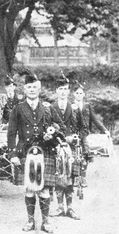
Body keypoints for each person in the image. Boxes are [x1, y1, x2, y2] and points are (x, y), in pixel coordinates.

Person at [7, 74, 64, 234]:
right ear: (24, 90)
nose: (32, 90)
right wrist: (13, 155)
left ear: (39, 89)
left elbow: (60, 127)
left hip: (45, 151)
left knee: (45, 190)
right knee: (30, 190)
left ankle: (46, 222)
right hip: (25, 152)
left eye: (34, 87)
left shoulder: (48, 108)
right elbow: (11, 133)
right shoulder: (17, 108)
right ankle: (31, 221)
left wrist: (52, 134)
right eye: (29, 87)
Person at [51, 76, 86, 220]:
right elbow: (46, 127)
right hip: (55, 147)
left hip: (71, 147)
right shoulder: (50, 108)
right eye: (60, 89)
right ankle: (60, 207)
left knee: (70, 176)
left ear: (69, 91)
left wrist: (75, 137)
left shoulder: (75, 108)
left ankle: (70, 207)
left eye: (65, 89)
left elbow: (84, 129)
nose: (63, 92)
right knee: (58, 175)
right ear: (56, 91)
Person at [72, 80, 110, 187]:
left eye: (80, 93)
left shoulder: (87, 106)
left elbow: (94, 119)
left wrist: (104, 130)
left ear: (83, 94)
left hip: (84, 133)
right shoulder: (71, 105)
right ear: (73, 94)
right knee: (74, 155)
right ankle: (75, 177)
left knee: (85, 154)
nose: (79, 95)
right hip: (73, 132)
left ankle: (83, 177)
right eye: (76, 93)